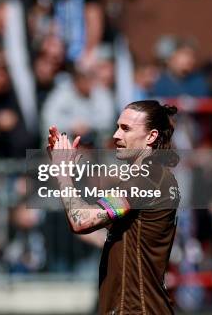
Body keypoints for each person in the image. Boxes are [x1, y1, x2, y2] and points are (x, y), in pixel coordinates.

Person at [47, 100, 180, 314]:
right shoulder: (152, 177)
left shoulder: (147, 179)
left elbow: (81, 220)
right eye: (117, 127)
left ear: (151, 136)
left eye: (126, 129)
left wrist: (62, 172)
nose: (116, 135)